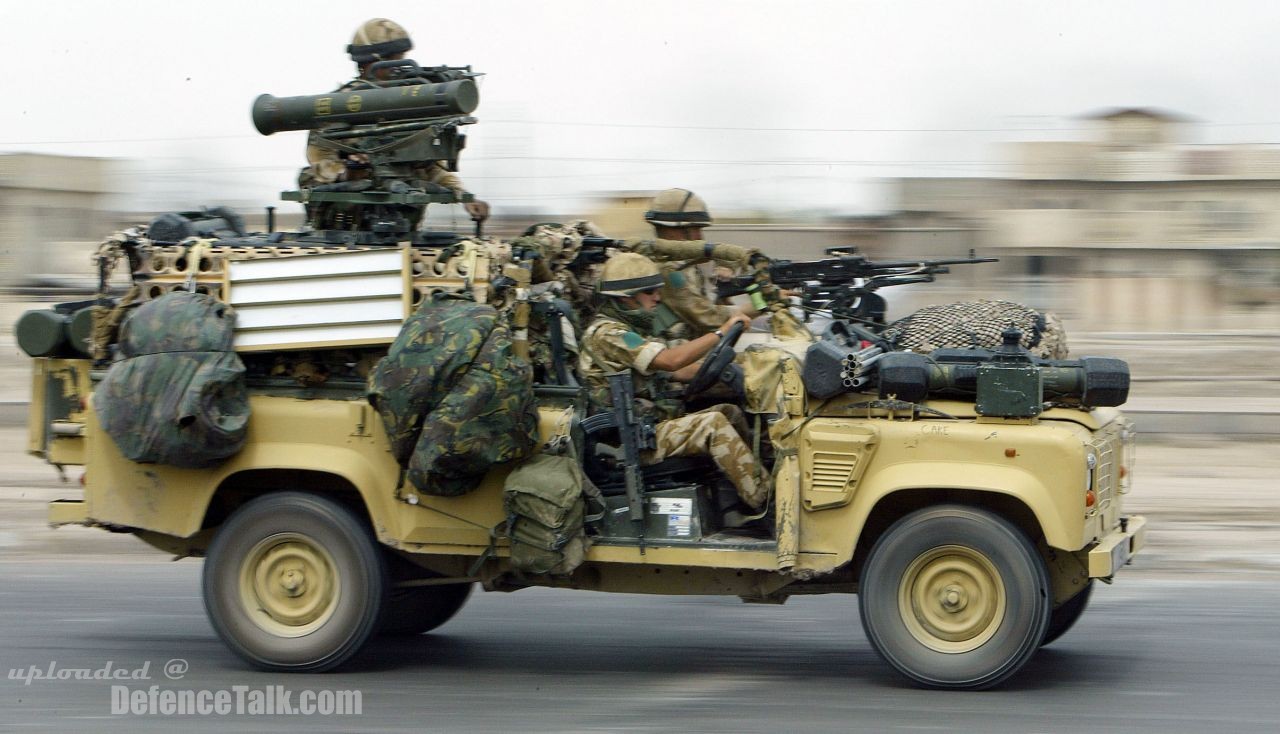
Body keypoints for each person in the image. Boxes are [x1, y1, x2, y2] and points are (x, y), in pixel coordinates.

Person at [578, 252, 772, 511]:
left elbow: (679, 371)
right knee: (712, 425)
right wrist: (721, 331)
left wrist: (738, 366)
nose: (658, 297)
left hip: (645, 426)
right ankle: (767, 502)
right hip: (628, 441)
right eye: (650, 292)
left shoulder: (631, 332)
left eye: (658, 290)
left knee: (730, 412)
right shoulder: (608, 334)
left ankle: (748, 492)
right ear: (626, 298)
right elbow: (670, 361)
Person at [300, 18, 489, 223]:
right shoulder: (337, 108)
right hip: (344, 232)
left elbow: (430, 168)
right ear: (367, 63)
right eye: (392, 59)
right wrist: (349, 173)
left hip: (402, 231)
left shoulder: (411, 108)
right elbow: (317, 172)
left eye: (401, 58)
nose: (400, 68)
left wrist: (464, 197)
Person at [627, 188, 809, 342]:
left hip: (696, 343)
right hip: (676, 357)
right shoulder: (667, 270)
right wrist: (765, 302)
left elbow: (708, 305)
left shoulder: (684, 264)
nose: (700, 237)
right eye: (694, 229)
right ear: (672, 230)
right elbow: (707, 317)